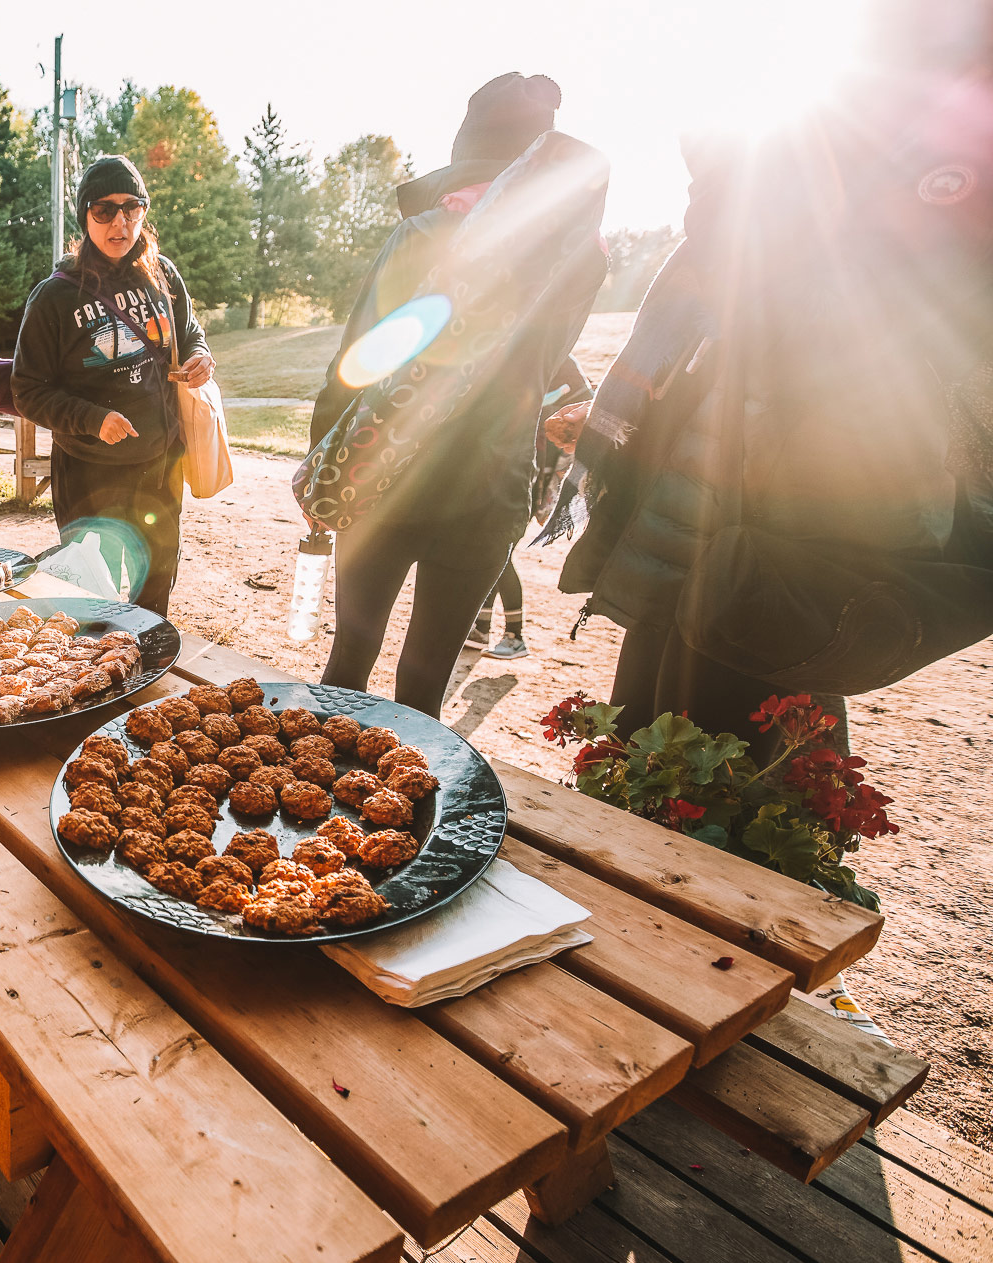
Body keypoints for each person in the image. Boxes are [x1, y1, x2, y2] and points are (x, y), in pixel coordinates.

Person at [558, 5, 992, 764]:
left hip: (784, 554)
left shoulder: (908, 172)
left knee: (737, 778)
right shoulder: (768, 203)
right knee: (662, 762)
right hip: (708, 545)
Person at [303, 75, 607, 715]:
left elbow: (354, 367)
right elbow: (545, 365)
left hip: (383, 475)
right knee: (424, 689)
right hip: (490, 487)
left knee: (349, 662)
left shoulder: (422, 235)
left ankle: (319, 809)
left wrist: (322, 470)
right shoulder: (577, 261)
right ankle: (410, 812)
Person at [11, 155, 213, 615]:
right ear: (85, 216)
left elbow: (191, 335)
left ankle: (148, 678)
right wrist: (92, 418)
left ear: (143, 211)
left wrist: (201, 356)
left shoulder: (163, 275)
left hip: (161, 466)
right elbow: (27, 389)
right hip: (88, 471)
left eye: (132, 208)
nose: (120, 222)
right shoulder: (56, 295)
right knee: (91, 600)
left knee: (155, 590)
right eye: (104, 210)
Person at [466, 357, 593, 659]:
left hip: (528, 485)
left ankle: (514, 636)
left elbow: (549, 401)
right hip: (520, 480)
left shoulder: (557, 375)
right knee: (491, 556)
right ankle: (481, 628)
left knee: (500, 556)